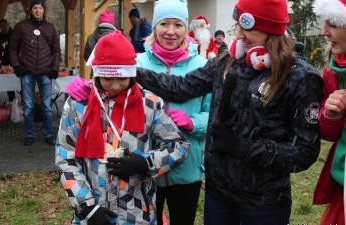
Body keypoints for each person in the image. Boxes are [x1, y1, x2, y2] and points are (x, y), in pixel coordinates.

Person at [131, 0, 323, 224]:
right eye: (238, 27)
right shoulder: (230, 59)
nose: (239, 36)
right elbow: (181, 87)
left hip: (263, 203)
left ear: (271, 31)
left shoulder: (300, 77)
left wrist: (241, 147)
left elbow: (303, 152)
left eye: (247, 29)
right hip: (218, 196)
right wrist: (127, 70)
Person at [65, 1, 211, 224]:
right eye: (164, 23)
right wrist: (83, 86)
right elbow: (108, 71)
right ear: (154, 27)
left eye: (178, 24)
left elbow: (215, 115)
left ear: (185, 28)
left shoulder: (203, 66)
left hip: (182, 170)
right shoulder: (137, 61)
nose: (170, 31)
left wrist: (193, 123)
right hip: (136, 179)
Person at [9, 0, 61, 146]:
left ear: (44, 10)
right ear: (30, 10)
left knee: (47, 106)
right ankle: (29, 134)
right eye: (35, 8)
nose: (37, 11)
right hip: (26, 71)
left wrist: (55, 67)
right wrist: (16, 65)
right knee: (28, 106)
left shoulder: (50, 28)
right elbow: (12, 48)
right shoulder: (21, 27)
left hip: (45, 71)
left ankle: (49, 134)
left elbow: (56, 50)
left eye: (40, 8)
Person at [312, 0, 346, 224]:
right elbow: (327, 133)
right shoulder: (333, 71)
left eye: (332, 23)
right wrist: (331, 115)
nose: (324, 31)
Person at [0, 19, 15, 105]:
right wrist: (0, 48)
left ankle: (25, 100)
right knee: (7, 81)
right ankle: (11, 100)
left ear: (8, 24)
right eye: (1, 26)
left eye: (4, 25)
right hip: (5, 61)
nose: (3, 27)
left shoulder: (16, 34)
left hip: (16, 61)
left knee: (19, 81)